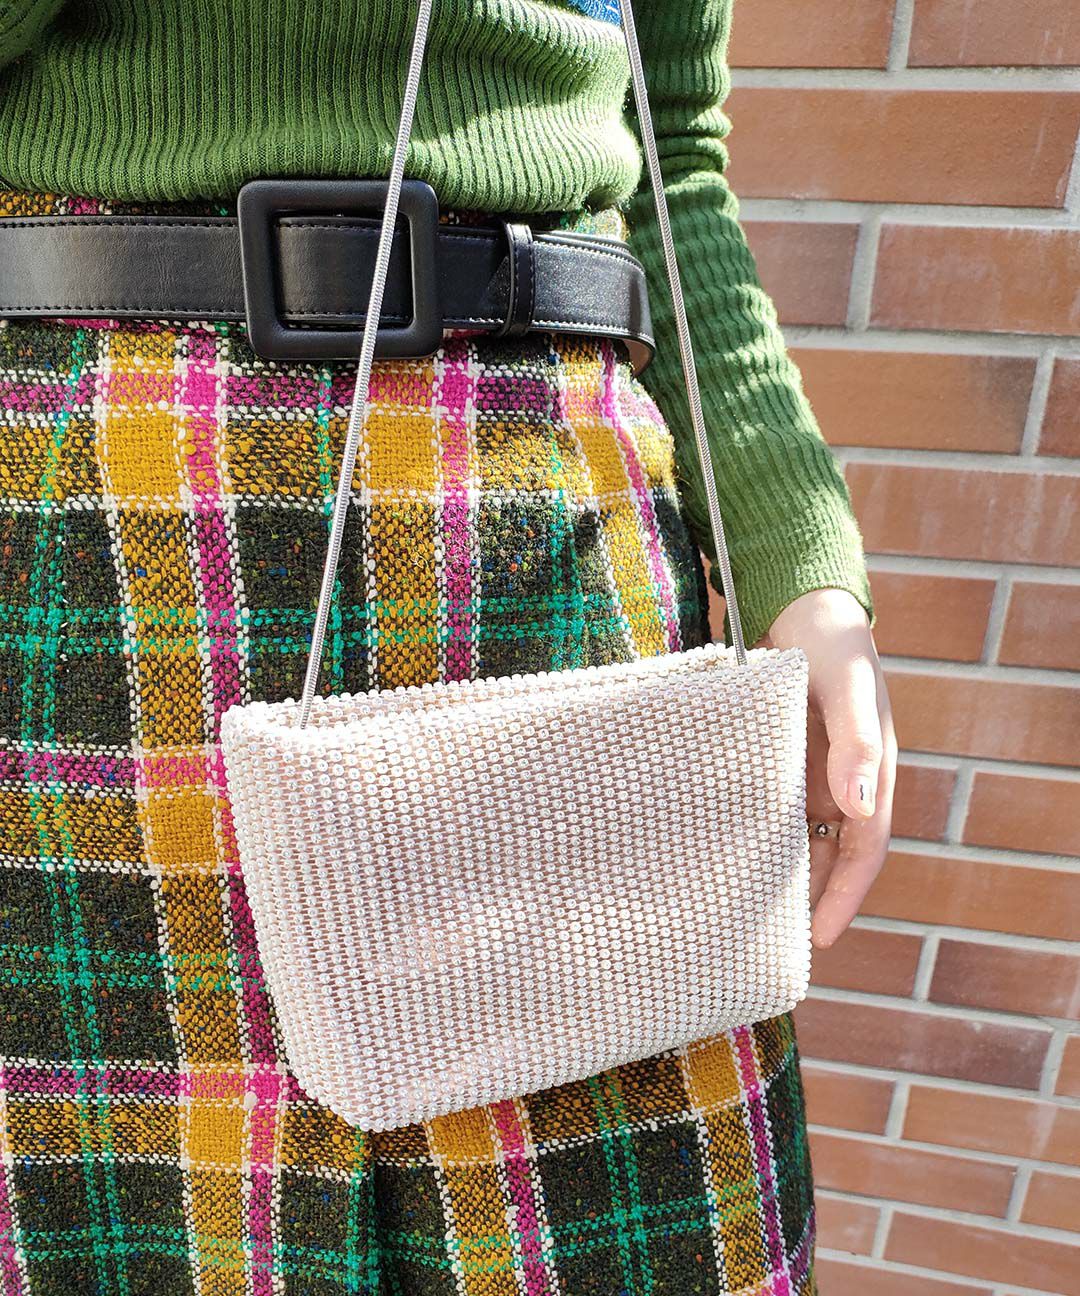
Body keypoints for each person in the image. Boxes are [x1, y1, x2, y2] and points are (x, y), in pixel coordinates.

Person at [0, 1, 895, 1292]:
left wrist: (798, 560)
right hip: (124, 517)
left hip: (553, 513)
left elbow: (676, 159)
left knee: (645, 1220)